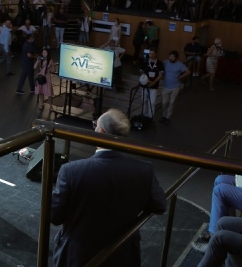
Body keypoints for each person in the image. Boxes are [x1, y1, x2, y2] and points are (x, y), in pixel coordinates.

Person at [51, 109, 166, 267]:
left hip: (78, 256)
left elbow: (55, 216)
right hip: (122, 255)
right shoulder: (144, 170)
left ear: (101, 132)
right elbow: (160, 205)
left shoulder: (71, 171)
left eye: (95, 125)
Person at [160, 50, 191, 124]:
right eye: (170, 56)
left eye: (173, 57)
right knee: (164, 102)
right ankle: (164, 115)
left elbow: (188, 72)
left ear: (176, 58)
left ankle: (167, 117)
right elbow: (160, 69)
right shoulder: (165, 62)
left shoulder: (179, 65)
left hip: (175, 87)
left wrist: (180, 77)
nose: (171, 58)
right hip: (166, 86)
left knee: (172, 102)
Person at [141, 49, 163, 118]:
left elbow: (160, 75)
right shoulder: (145, 62)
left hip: (154, 86)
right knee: (144, 101)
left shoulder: (159, 63)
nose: (151, 55)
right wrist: (149, 82)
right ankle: (144, 115)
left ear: (156, 54)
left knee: (152, 102)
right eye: (150, 53)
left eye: (153, 53)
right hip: (145, 85)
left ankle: (150, 117)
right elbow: (143, 74)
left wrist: (153, 82)